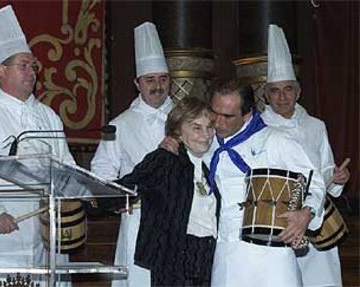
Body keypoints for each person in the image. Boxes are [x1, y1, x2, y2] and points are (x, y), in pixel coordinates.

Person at [0, 5, 74, 286]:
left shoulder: (49, 116)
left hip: (45, 233)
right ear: (2, 70)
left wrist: (72, 196)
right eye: (23, 65)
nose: (31, 72)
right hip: (2, 236)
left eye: (33, 65)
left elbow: (66, 165)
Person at [205, 80, 326, 287]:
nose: (217, 122)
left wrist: (306, 213)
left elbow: (313, 182)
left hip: (271, 256)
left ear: (247, 115)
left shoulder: (276, 140)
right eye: (214, 113)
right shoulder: (205, 140)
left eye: (227, 116)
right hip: (225, 251)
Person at [261, 24, 350, 287]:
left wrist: (338, 177)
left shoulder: (315, 126)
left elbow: (325, 176)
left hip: (316, 219)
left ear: (298, 92)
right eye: (275, 90)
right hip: (278, 221)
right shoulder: (258, 129)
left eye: (288, 89)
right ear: (266, 95)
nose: (282, 96)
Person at [90, 22, 172, 287]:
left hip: (179, 218)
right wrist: (120, 200)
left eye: (163, 79)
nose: (157, 86)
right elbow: (102, 171)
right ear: (137, 83)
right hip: (137, 219)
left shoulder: (187, 118)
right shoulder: (120, 124)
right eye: (150, 80)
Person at [115, 97, 220, 286]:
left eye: (210, 127)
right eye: (197, 128)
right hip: (175, 259)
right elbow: (123, 188)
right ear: (178, 131)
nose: (206, 134)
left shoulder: (212, 162)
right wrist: (91, 199)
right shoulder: (165, 158)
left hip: (208, 257)